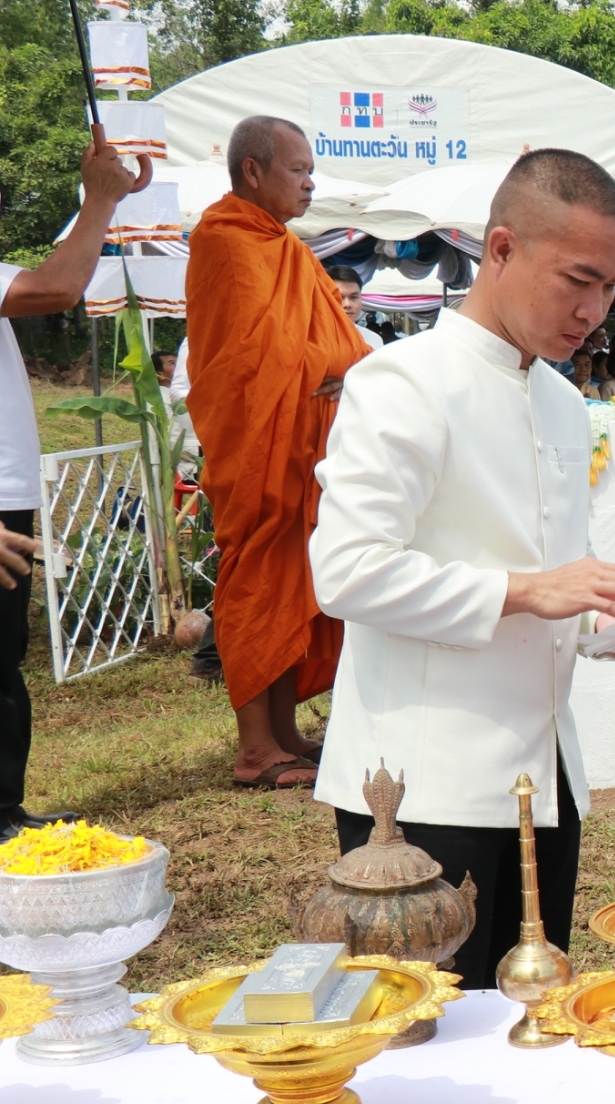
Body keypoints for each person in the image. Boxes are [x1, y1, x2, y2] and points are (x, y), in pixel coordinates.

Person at [310, 148, 615, 989]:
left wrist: (600, 624)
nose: (595, 310)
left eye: (612, 287)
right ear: (500, 250)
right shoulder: (403, 382)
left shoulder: (556, 396)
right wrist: (536, 589)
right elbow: (349, 571)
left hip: (543, 774)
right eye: (577, 279)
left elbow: (536, 579)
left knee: (532, 1011)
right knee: (423, 1027)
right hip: (423, 781)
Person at [185, 116, 368, 789]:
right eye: (299, 169)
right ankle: (254, 749)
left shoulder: (285, 248)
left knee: (297, 580)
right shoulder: (225, 238)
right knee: (259, 581)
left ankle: (284, 732)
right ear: (253, 171)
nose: (311, 182)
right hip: (258, 446)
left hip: (300, 445)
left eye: (311, 169)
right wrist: (339, 361)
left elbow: (321, 342)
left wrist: (345, 363)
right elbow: (255, 358)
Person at [0, 130, 148, 836]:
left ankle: (2, 811)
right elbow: (57, 288)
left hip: (7, 489)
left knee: (3, 658)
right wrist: (100, 199)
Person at [325, 265, 384, 352]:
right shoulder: (314, 340)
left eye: (353, 297)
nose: (347, 304)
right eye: (339, 298)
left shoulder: (374, 340)